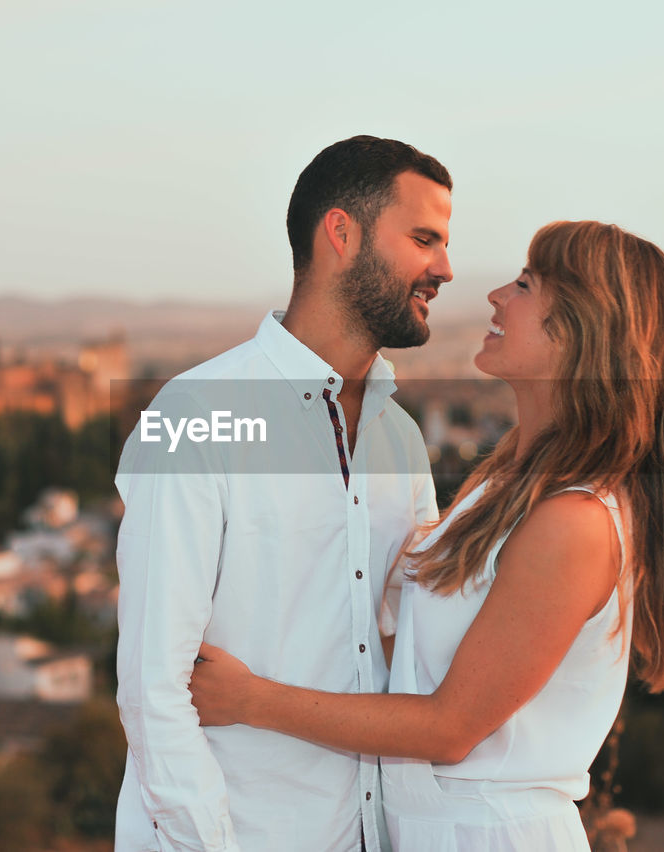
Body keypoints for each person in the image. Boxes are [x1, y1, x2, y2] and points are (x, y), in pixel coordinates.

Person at [189, 220, 664, 850]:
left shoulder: (576, 521)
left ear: (586, 328)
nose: (497, 295)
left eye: (527, 284)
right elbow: (418, 666)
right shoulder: (505, 485)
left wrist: (250, 700)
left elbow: (450, 728)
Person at [113, 135, 454, 851]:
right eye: (424, 239)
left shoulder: (400, 442)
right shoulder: (197, 414)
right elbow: (154, 689)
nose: (444, 269)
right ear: (341, 232)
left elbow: (409, 652)